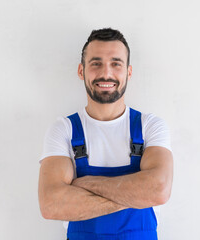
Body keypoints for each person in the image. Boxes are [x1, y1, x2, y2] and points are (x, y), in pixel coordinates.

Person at [38, 28, 173, 240]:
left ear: (128, 72)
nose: (106, 73)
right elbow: (51, 204)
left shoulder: (150, 126)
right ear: (81, 71)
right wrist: (136, 194)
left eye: (116, 63)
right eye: (96, 63)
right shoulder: (63, 129)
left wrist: (85, 185)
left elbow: (158, 190)